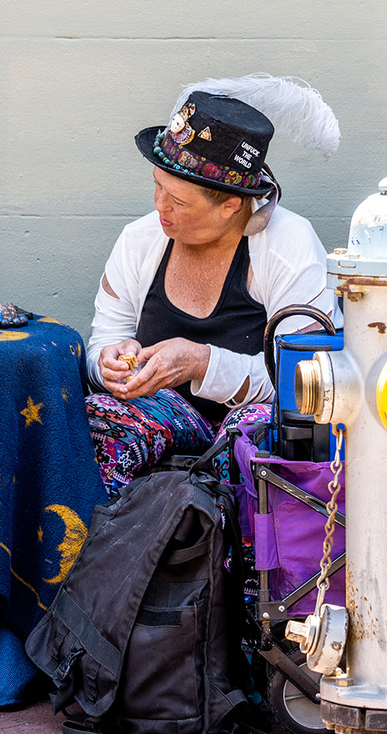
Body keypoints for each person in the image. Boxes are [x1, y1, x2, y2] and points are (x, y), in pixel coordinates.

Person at [86, 76, 339, 495]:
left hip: (252, 424)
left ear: (231, 205)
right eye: (157, 185)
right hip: (164, 416)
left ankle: (233, 556)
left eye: (178, 201)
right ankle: (111, 547)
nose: (159, 206)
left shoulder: (287, 245)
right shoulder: (140, 239)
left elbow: (308, 382)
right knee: (98, 419)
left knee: (248, 433)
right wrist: (108, 363)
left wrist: (202, 363)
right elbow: (104, 339)